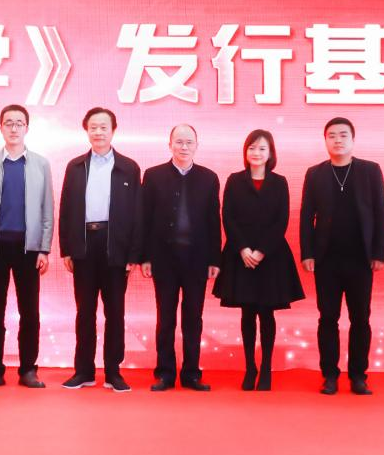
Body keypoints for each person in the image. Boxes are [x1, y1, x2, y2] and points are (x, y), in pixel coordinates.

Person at [299, 117, 384, 396]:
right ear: (325, 140)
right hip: (326, 259)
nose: (337, 140)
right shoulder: (315, 174)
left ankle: (358, 375)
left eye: (343, 135)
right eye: (332, 136)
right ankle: (329, 375)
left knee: (360, 318)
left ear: (352, 139)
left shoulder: (370, 170)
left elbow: (381, 213)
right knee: (328, 318)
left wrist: (379, 252)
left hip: (361, 258)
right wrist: (307, 253)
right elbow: (306, 216)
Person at [0, 104, 55, 389]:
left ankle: (28, 369)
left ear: (27, 128)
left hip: (28, 249)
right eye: (9, 123)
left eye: (19, 123)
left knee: (30, 313)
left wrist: (44, 249)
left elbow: (47, 209)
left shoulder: (41, 164)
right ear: (1, 127)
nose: (14, 128)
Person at [59, 107, 142, 393]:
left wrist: (134, 254)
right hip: (84, 245)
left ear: (113, 130)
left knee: (115, 312)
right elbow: (66, 209)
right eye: (93, 127)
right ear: (86, 130)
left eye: (103, 127)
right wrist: (66, 249)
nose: (98, 132)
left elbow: (137, 213)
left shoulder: (129, 167)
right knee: (85, 311)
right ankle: (83, 371)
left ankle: (113, 372)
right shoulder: (75, 166)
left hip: (115, 245)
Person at [214, 130, 304, 391]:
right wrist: (243, 249)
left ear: (270, 153)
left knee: (266, 313)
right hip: (240, 255)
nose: (256, 153)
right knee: (247, 313)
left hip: (271, 256)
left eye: (262, 149)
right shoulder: (234, 180)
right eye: (252, 148)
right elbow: (228, 216)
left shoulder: (279, 182)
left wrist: (261, 251)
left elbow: (281, 220)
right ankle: (250, 367)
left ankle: (265, 368)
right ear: (245, 151)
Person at [140, 124, 221, 392]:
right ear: (170, 144)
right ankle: (165, 373)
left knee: (193, 318)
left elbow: (213, 220)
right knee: (165, 318)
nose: (184, 147)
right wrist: (145, 257)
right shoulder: (153, 176)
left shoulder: (209, 178)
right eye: (179, 142)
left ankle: (191, 374)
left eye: (189, 142)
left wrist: (215, 259)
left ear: (196, 145)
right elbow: (145, 218)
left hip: (197, 259)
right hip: (163, 259)